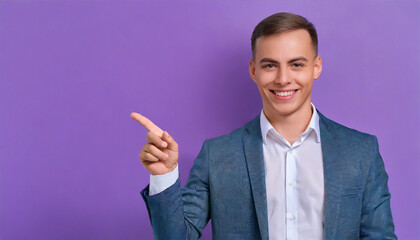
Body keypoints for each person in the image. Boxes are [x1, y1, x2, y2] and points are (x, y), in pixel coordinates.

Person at [131, 12, 397, 240]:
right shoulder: (217, 155)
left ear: (316, 67)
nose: (283, 79)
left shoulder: (361, 151)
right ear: (253, 70)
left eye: (296, 64)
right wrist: (163, 175)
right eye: (270, 65)